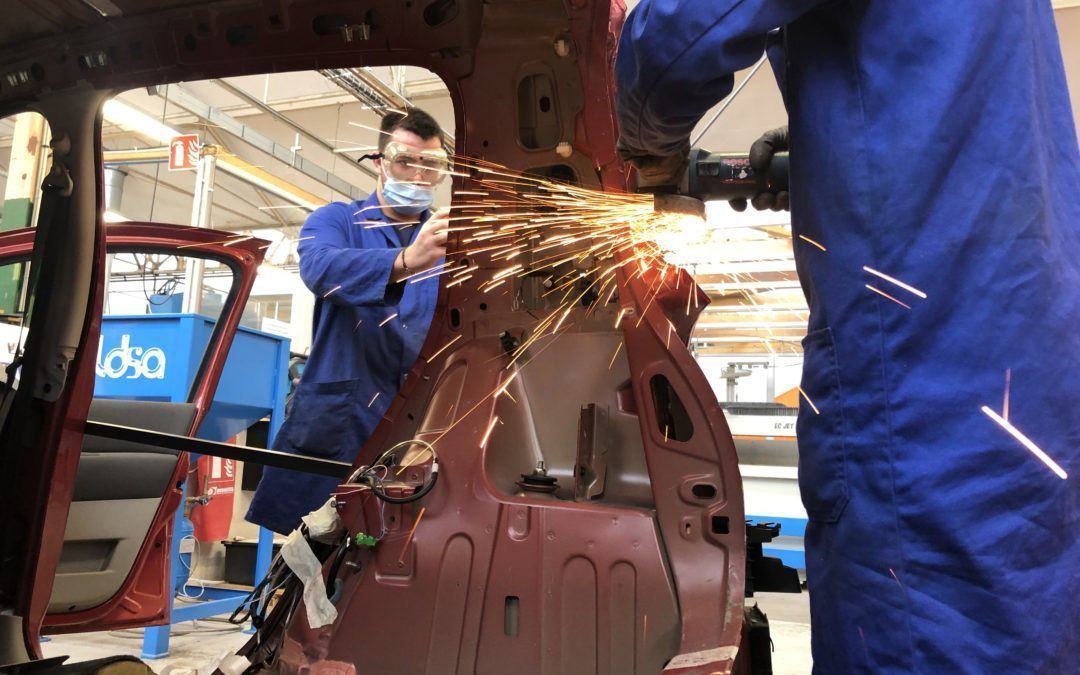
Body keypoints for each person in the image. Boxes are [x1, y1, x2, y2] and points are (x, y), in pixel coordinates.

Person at [615, 2, 1079, 673]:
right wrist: (825, 138)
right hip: (1019, 385)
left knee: (915, 631)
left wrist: (645, 145)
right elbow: (942, 97)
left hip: (918, 394)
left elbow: (677, 41)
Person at [247, 107, 451, 535]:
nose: (417, 176)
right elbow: (321, 269)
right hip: (340, 417)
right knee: (313, 553)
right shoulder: (336, 220)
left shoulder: (451, 242)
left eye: (430, 166)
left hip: (423, 422)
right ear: (379, 163)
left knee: (402, 551)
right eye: (405, 161)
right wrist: (405, 260)